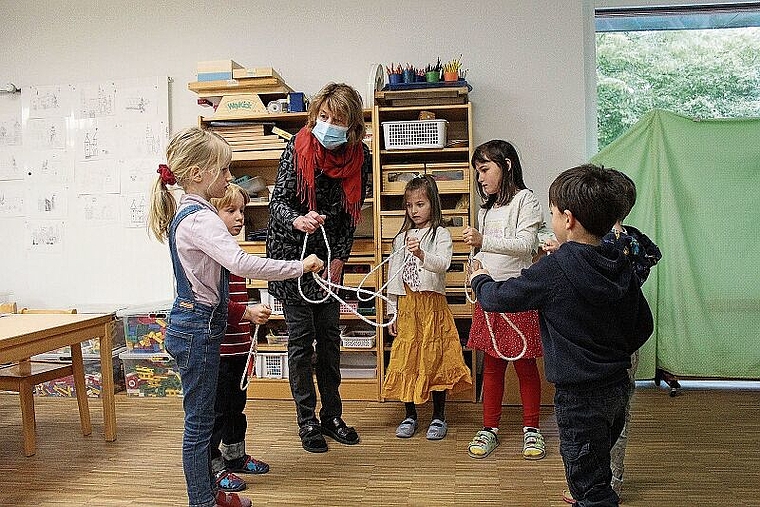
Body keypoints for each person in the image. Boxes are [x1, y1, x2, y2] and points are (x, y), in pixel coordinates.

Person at [148, 127, 324, 507]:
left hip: (198, 325)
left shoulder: (193, 213)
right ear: (197, 173)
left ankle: (211, 493)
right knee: (199, 427)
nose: (229, 177)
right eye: (224, 170)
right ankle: (204, 501)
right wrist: (300, 266)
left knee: (208, 418)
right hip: (197, 328)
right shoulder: (200, 219)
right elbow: (241, 262)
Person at [470, 163, 654, 507]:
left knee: (588, 485)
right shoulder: (619, 259)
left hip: (578, 397)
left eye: (552, 213)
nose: (550, 220)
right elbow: (643, 325)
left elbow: (498, 298)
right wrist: (610, 356)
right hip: (615, 388)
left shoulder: (555, 269)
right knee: (598, 463)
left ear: (568, 220)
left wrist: (479, 277)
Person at [266, 83, 372, 453]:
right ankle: (307, 421)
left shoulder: (362, 157)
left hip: (328, 262)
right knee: (300, 344)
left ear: (352, 126)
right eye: (322, 117)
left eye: (337, 120)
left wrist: (340, 258)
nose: (327, 125)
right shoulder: (296, 149)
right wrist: (297, 220)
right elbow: (277, 202)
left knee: (329, 342)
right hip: (293, 258)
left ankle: (332, 416)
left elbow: (349, 217)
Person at [551, 169, 662, 504]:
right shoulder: (608, 248)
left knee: (603, 430)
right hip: (613, 356)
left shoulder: (620, 246)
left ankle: (603, 487)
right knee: (602, 429)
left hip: (606, 358)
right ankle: (596, 486)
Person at [461, 140, 546, 460]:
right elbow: (488, 251)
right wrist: (476, 261)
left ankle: (532, 430)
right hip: (488, 295)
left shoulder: (527, 200)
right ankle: (490, 427)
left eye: (485, 170)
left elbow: (526, 245)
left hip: (518, 295)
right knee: (492, 366)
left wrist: (484, 241)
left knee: (525, 366)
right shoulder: (487, 209)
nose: (480, 178)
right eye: (477, 172)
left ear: (507, 165)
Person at [381, 175, 472, 440]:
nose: (414, 210)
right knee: (407, 358)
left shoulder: (441, 234)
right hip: (408, 306)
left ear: (433, 203)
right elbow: (393, 277)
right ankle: (409, 415)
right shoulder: (402, 238)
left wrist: (421, 254)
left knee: (436, 358)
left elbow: (442, 263)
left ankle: (438, 416)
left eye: (420, 204)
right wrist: (392, 311)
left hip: (432, 306)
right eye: (409, 205)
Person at [208, 183, 272, 494]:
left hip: (237, 348)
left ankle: (235, 456)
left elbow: (240, 296)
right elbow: (218, 304)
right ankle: (214, 465)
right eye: (230, 211)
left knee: (236, 406)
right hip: (217, 350)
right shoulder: (212, 258)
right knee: (218, 411)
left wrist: (250, 339)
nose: (240, 217)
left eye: (242, 211)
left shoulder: (235, 256)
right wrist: (247, 313)